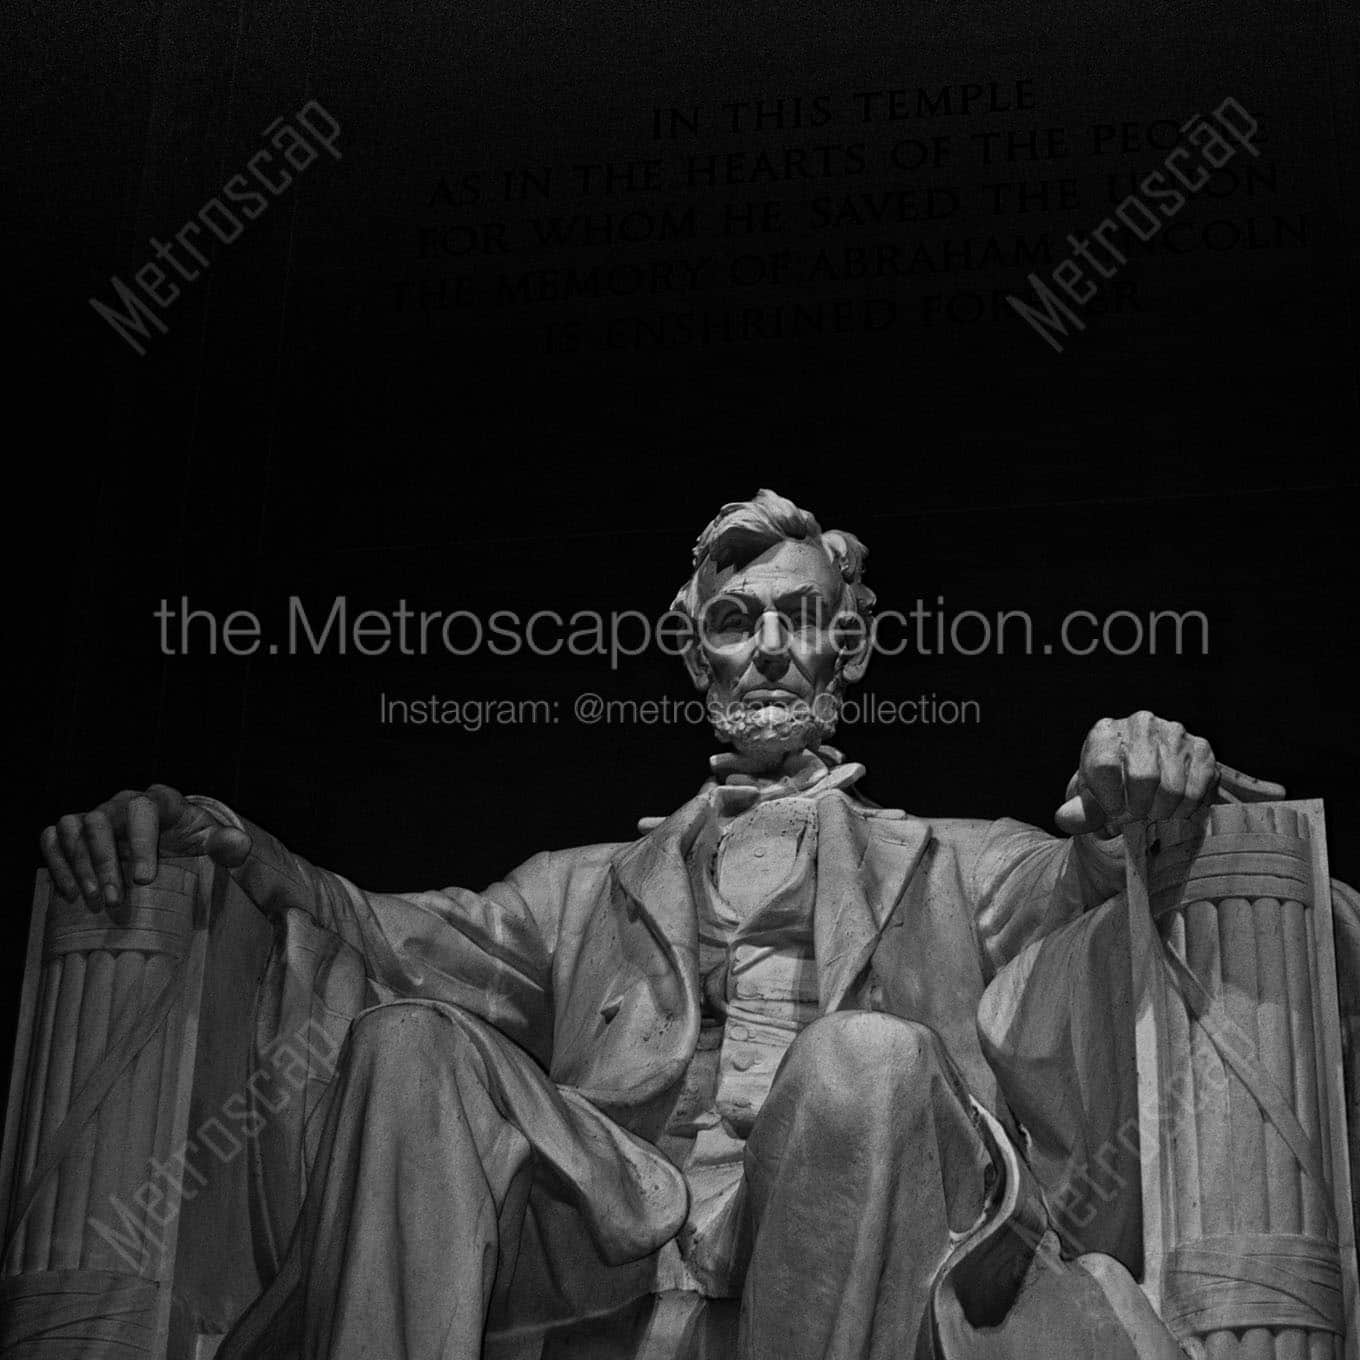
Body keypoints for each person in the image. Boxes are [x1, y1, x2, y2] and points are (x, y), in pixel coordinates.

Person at [40, 489, 1257, 1360]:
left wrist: (1133, 799)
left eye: (798, 615)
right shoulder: (582, 886)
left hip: (854, 1195)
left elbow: (1088, 894)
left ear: (855, 643)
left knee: (866, 1057)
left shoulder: (952, 857)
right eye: (735, 622)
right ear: (695, 657)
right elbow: (373, 931)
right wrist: (229, 843)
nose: (770, 648)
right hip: (614, 1223)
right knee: (407, 1042)